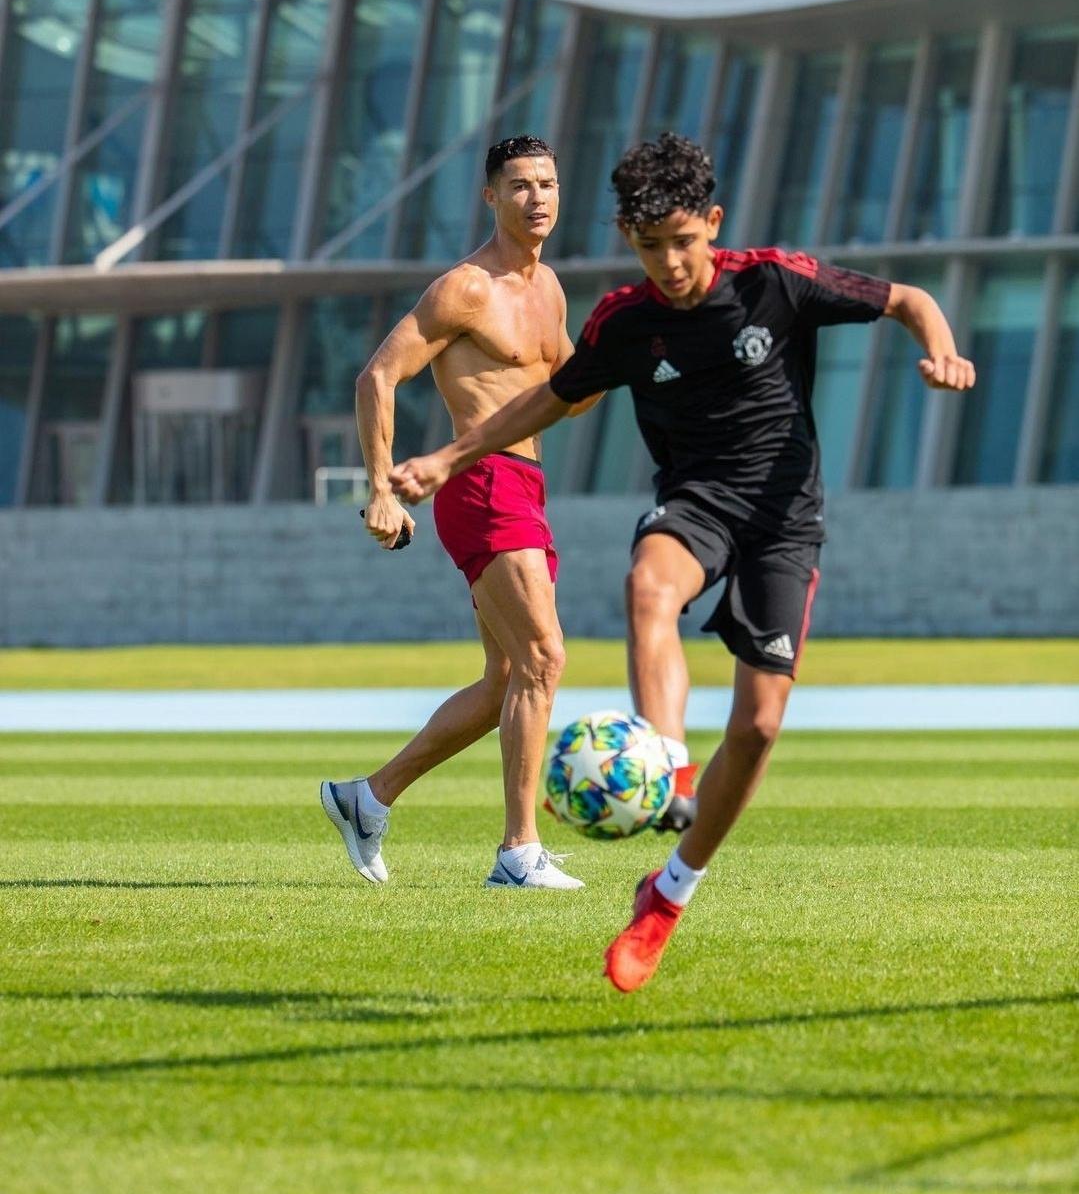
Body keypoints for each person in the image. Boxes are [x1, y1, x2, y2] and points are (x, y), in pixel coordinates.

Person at [389, 131, 976, 988]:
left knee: (761, 727)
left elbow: (906, 297)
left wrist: (943, 349)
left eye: (683, 241)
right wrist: (447, 458)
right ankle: (664, 765)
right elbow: (548, 400)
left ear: (713, 223)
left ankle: (666, 895)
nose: (668, 263)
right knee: (646, 587)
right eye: (648, 245)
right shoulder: (626, 322)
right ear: (630, 238)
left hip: (782, 520)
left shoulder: (773, 281)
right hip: (693, 501)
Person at [320, 134, 601, 891]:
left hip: (527, 486)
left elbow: (570, 394)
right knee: (544, 660)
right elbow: (376, 377)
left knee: (506, 676)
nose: (535, 197)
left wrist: (637, 354)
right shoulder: (466, 289)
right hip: (480, 487)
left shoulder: (550, 292)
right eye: (517, 186)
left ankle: (367, 797)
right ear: (490, 197)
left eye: (545, 183)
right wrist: (379, 487)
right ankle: (517, 854)